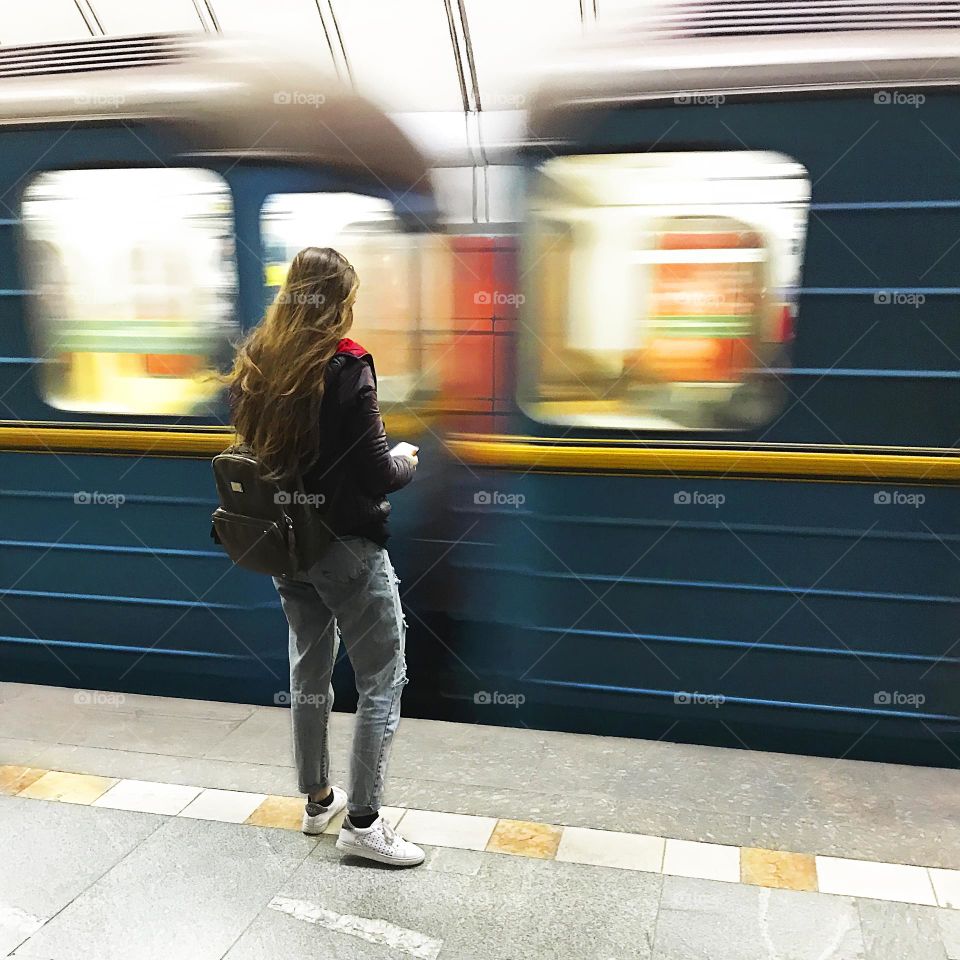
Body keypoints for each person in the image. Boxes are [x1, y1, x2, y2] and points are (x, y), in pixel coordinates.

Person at [225, 246, 424, 867]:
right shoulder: (347, 365)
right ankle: (363, 824)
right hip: (347, 548)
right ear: (340, 301)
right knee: (381, 679)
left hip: (289, 548)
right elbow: (373, 472)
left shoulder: (260, 360)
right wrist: (407, 463)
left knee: (309, 672)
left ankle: (318, 801)